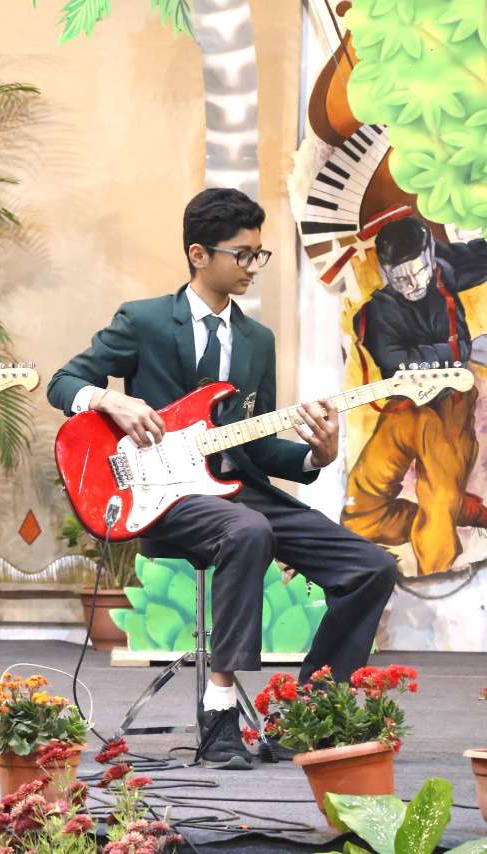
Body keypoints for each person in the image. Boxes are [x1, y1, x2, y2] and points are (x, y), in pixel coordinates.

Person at [48, 188, 398, 770]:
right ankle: (219, 710)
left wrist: (317, 455)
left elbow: (256, 445)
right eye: (242, 254)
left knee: (371, 567)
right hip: (162, 499)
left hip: (239, 490)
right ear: (198, 254)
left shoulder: (258, 340)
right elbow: (63, 382)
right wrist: (112, 402)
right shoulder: (144, 320)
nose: (253, 266)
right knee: (247, 530)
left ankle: (308, 716)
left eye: (259, 254)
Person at [343, 217, 487, 575]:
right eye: (401, 279)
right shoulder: (377, 314)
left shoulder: (443, 268)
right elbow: (396, 364)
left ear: (431, 256)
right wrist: (451, 351)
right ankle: (458, 512)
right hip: (404, 407)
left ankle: (435, 571)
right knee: (360, 514)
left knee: (438, 503)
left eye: (420, 272)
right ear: (385, 271)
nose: (414, 285)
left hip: (450, 405)